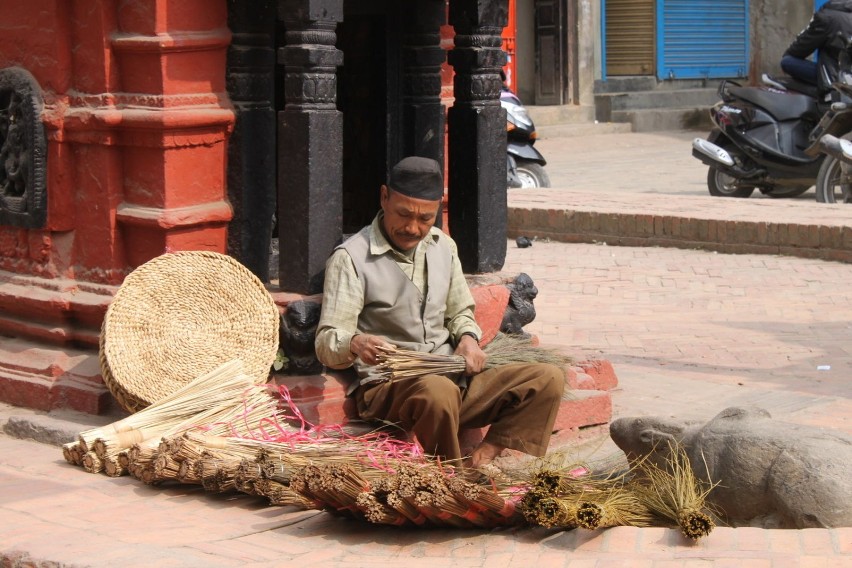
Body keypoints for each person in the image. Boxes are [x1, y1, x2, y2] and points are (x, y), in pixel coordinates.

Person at [314, 156, 564, 470]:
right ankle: (453, 474)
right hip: (392, 386)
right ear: (384, 197)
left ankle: (481, 458)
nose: (412, 227)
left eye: (425, 219)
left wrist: (469, 340)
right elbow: (327, 341)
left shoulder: (443, 247)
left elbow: (460, 311)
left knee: (547, 378)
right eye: (403, 214)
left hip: (451, 376)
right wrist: (356, 343)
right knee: (437, 390)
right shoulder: (351, 257)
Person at [781, 0, 852, 88]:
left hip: (834, 79)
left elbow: (799, 49)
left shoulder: (828, 16)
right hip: (847, 76)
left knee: (787, 61)